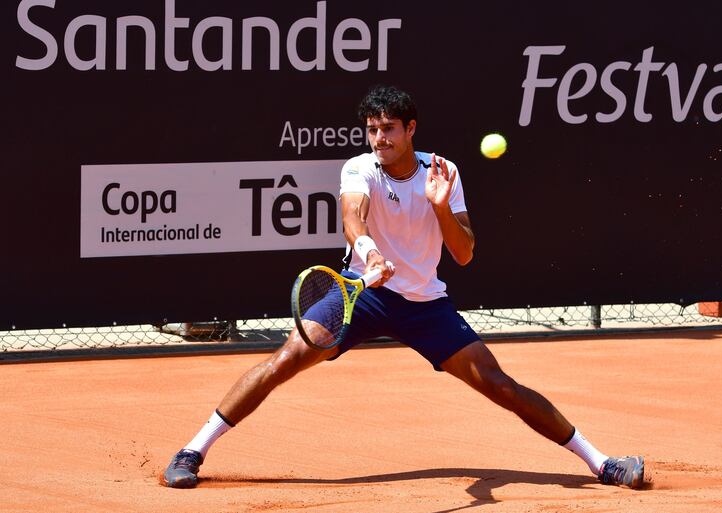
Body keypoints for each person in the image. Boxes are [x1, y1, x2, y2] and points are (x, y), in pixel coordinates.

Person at [161, 85, 644, 489]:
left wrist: (438, 206)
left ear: (411, 129)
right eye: (372, 130)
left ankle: (601, 463)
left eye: (389, 129)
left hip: (424, 304)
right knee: (285, 358)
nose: (379, 139)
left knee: (500, 386)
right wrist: (370, 254)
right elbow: (354, 217)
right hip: (362, 293)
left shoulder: (442, 173)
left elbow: (464, 252)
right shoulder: (359, 168)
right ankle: (191, 452)